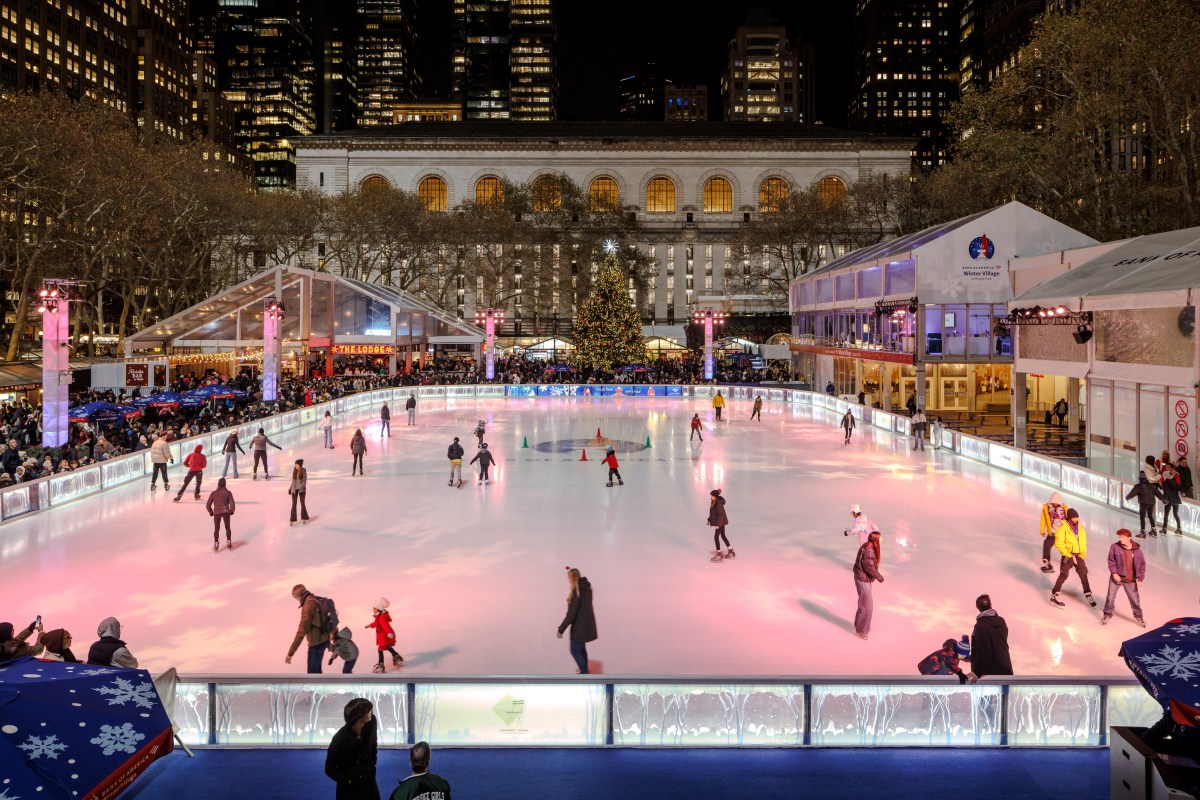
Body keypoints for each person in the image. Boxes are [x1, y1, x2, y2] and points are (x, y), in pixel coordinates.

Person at [324, 697, 380, 800]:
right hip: (349, 789)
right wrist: (349, 781)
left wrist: (373, 763)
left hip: (369, 781)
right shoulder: (339, 739)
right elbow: (329, 769)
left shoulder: (372, 722)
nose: (372, 713)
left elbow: (373, 743)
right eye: (369, 712)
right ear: (358, 719)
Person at [1050, 507, 1095, 608]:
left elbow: (1083, 543)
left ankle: (1088, 594)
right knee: (1064, 575)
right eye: (1074, 518)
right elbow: (1059, 544)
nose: (1076, 519)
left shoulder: (1081, 529)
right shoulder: (1062, 529)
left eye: (1077, 517)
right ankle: (1054, 596)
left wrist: (1082, 554)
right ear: (1069, 518)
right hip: (1068, 555)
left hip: (1078, 555)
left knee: (1083, 574)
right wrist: (1068, 554)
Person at [557, 567, 597, 674]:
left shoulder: (576, 592)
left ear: (573, 578)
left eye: (569, 577)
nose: (568, 580)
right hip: (585, 626)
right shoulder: (586, 589)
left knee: (574, 650)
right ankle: (585, 669)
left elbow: (571, 615)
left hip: (579, 628)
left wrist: (561, 629)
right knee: (581, 649)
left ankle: (584, 672)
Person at [1103, 528, 1146, 627]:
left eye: (1123, 538)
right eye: (1120, 537)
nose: (1121, 539)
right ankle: (1107, 615)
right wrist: (1114, 573)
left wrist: (1140, 579)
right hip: (1116, 578)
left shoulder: (1137, 550)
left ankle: (1139, 617)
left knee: (1135, 600)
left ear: (1129, 538)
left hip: (1130, 580)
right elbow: (1111, 561)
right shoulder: (1115, 547)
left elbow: (1142, 565)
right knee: (1110, 597)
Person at [967, 594, 1012, 680]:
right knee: (1005, 693)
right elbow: (996, 645)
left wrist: (977, 672)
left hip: (989, 674)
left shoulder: (980, 626)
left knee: (992, 694)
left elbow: (984, 650)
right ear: (991, 604)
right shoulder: (1001, 621)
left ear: (977, 607)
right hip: (1005, 669)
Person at [286, 583, 327, 673]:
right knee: (317, 671)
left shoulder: (307, 606)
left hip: (316, 643)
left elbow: (301, 632)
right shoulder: (315, 599)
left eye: (295, 598)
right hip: (324, 639)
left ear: (297, 596)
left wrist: (290, 653)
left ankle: (314, 686)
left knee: (312, 673)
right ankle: (319, 685)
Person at [852, 530, 884, 640]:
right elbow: (869, 567)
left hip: (861, 577)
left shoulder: (868, 546)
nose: (882, 539)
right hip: (862, 578)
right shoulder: (869, 550)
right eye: (881, 538)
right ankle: (862, 631)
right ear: (876, 539)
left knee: (864, 604)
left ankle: (858, 626)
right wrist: (880, 577)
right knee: (868, 607)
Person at [367, 598, 404, 673]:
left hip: (384, 636)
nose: (373, 609)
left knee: (380, 649)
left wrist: (388, 633)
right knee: (387, 647)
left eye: (374, 608)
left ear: (379, 609)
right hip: (384, 636)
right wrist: (370, 625)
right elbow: (376, 623)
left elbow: (385, 626)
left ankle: (381, 665)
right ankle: (397, 657)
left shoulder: (381, 618)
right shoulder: (380, 616)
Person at [1125, 472, 1163, 537]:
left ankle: (1143, 532)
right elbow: (1159, 494)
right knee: (1150, 515)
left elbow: (1132, 493)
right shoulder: (1152, 486)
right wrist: (1165, 500)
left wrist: (1127, 498)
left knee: (1142, 517)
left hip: (1143, 503)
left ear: (1139, 479)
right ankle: (1153, 530)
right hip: (1151, 502)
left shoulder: (1138, 486)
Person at [1038, 492, 1069, 573]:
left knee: (1064, 547)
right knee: (1046, 545)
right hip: (1052, 532)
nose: (1054, 503)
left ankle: (1070, 562)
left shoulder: (1064, 509)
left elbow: (1069, 519)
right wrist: (1042, 530)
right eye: (1053, 502)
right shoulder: (1047, 508)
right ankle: (1047, 563)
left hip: (1062, 532)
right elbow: (1043, 519)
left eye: (1056, 502)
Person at [206, 477, 236, 551]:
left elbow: (208, 505)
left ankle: (216, 543)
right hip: (226, 512)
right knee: (227, 528)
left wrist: (211, 512)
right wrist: (232, 510)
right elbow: (232, 502)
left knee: (216, 529)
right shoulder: (228, 492)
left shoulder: (213, 493)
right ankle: (228, 541)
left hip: (216, 513)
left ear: (218, 484)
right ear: (225, 484)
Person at [707, 488, 734, 562]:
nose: (711, 497)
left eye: (712, 496)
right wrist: (709, 520)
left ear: (715, 496)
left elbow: (720, 514)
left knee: (716, 537)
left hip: (720, 522)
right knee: (723, 536)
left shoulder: (718, 503)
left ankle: (719, 554)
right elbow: (713, 514)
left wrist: (718, 524)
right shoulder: (714, 502)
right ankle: (731, 550)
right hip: (722, 522)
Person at [1161, 462, 1184, 535]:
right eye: (1166, 467)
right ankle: (1179, 529)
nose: (1166, 469)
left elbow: (1166, 490)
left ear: (1171, 468)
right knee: (1175, 514)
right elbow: (1179, 486)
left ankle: (1164, 529)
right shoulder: (1176, 476)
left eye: (1168, 467)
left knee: (1166, 514)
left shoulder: (1166, 479)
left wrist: (1165, 499)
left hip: (1169, 499)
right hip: (1176, 498)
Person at [289, 459, 310, 525]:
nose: (295, 465)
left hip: (301, 490)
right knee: (294, 504)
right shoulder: (294, 471)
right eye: (295, 464)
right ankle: (292, 519)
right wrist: (290, 489)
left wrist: (299, 488)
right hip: (294, 490)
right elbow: (293, 481)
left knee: (302, 503)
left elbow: (304, 482)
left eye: (296, 464)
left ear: (300, 465)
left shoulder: (303, 470)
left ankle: (304, 518)